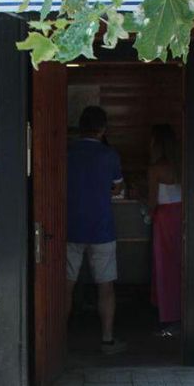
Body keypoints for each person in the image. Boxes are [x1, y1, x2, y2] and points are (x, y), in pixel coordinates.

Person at [67, 106, 126, 354]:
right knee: (105, 286)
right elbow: (118, 187)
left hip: (69, 227)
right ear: (103, 129)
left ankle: (57, 340)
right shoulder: (109, 155)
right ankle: (107, 340)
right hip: (102, 228)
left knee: (65, 286)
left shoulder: (67, 152)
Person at [148, 124, 183, 337]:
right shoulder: (181, 164)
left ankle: (169, 315)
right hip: (181, 216)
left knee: (164, 267)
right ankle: (181, 312)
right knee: (180, 264)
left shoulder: (155, 168)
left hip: (164, 219)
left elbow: (153, 201)